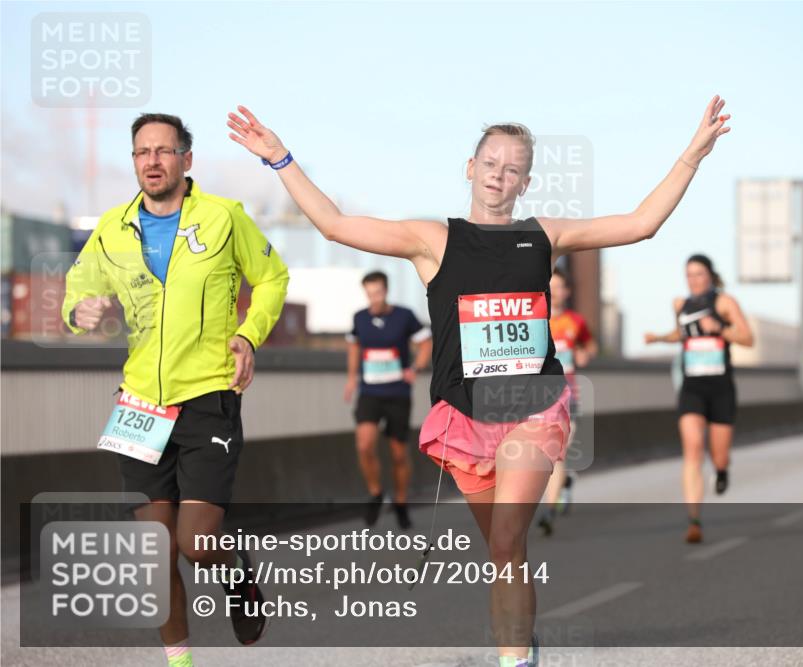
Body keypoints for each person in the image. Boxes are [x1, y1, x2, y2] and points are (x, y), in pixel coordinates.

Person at [227, 95, 730, 666]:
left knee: (508, 539)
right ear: (471, 168)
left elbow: (640, 225)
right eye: (490, 163)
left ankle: (514, 662)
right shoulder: (432, 240)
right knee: (500, 553)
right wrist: (279, 157)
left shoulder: (544, 236)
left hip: (533, 405)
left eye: (513, 168)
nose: (499, 175)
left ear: (526, 181)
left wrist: (692, 154)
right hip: (465, 418)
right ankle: (523, 646)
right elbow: (337, 226)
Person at [62, 113, 289, 666]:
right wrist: (79, 310)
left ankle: (236, 574)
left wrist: (248, 335)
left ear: (187, 160)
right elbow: (77, 291)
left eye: (165, 151)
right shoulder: (112, 228)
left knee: (196, 542)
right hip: (139, 404)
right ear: (134, 160)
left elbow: (274, 278)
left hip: (209, 397)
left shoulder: (223, 218)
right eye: (143, 152)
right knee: (152, 554)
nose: (153, 161)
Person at [644, 254, 753, 543]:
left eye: (699, 274)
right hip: (691, 386)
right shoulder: (680, 304)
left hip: (721, 388)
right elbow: (682, 333)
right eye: (689, 274)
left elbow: (748, 337)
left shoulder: (724, 303)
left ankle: (721, 469)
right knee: (692, 450)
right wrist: (657, 339)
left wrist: (722, 330)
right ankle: (694, 520)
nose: (693, 280)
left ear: (710, 275)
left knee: (719, 454)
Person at [344, 270, 432, 529]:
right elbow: (353, 347)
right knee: (364, 445)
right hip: (370, 392)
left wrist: (415, 368)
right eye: (370, 294)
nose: (375, 298)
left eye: (378, 292)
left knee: (398, 454)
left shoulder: (404, 316)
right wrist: (351, 378)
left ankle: (401, 503)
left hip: (397, 393)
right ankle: (375, 493)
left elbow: (426, 343)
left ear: (386, 290)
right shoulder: (359, 318)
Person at [537, 266, 597, 536]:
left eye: (561, 287)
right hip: (537, 398)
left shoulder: (575, 321)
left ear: (567, 292)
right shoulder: (535, 320)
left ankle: (549, 512)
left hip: (568, 395)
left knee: (558, 452)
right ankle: (563, 485)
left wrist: (585, 354)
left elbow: (590, 344)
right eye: (552, 286)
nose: (556, 292)